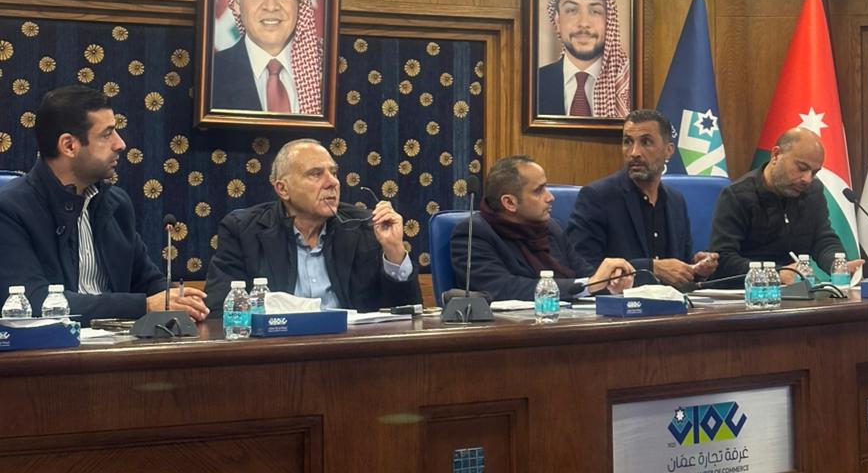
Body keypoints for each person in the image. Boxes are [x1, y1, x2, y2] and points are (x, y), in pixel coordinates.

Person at [0, 86, 209, 326]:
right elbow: (31, 302)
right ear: (69, 146)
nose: (120, 144)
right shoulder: (10, 209)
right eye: (107, 134)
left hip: (119, 344)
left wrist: (181, 302)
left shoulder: (116, 204)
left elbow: (149, 282)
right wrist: (143, 306)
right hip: (53, 348)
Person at [205, 138, 419, 314]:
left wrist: (394, 251)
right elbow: (219, 308)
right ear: (283, 189)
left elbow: (406, 313)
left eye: (333, 172)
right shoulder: (243, 230)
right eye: (316, 174)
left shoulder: (366, 226)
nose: (332, 182)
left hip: (350, 347)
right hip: (277, 347)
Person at [450, 155, 636, 302]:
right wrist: (589, 284)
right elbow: (502, 288)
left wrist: (611, 281)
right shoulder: (473, 234)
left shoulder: (551, 228)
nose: (550, 197)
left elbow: (585, 273)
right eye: (539, 191)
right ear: (509, 202)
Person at [567, 109, 718, 288]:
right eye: (627, 142)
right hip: (622, 303)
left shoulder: (676, 201)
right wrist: (652, 268)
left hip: (672, 302)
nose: (634, 152)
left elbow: (678, 267)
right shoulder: (597, 198)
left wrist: (695, 268)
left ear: (669, 151)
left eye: (646, 142)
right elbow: (585, 270)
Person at [709, 126, 864, 283]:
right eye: (801, 168)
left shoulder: (812, 192)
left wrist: (838, 265)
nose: (807, 179)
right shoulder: (737, 196)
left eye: (814, 172)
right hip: (751, 291)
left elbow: (822, 239)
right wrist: (776, 274)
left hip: (798, 289)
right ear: (776, 155)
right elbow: (724, 259)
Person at [212, 0, 324, 114]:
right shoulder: (210, 74)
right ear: (236, 4)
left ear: (299, 1)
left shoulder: (329, 69)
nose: (271, 6)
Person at [538, 0, 630, 117]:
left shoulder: (628, 84)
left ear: (609, 20)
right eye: (572, 11)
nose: (584, 23)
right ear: (557, 20)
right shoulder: (533, 84)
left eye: (595, 11)